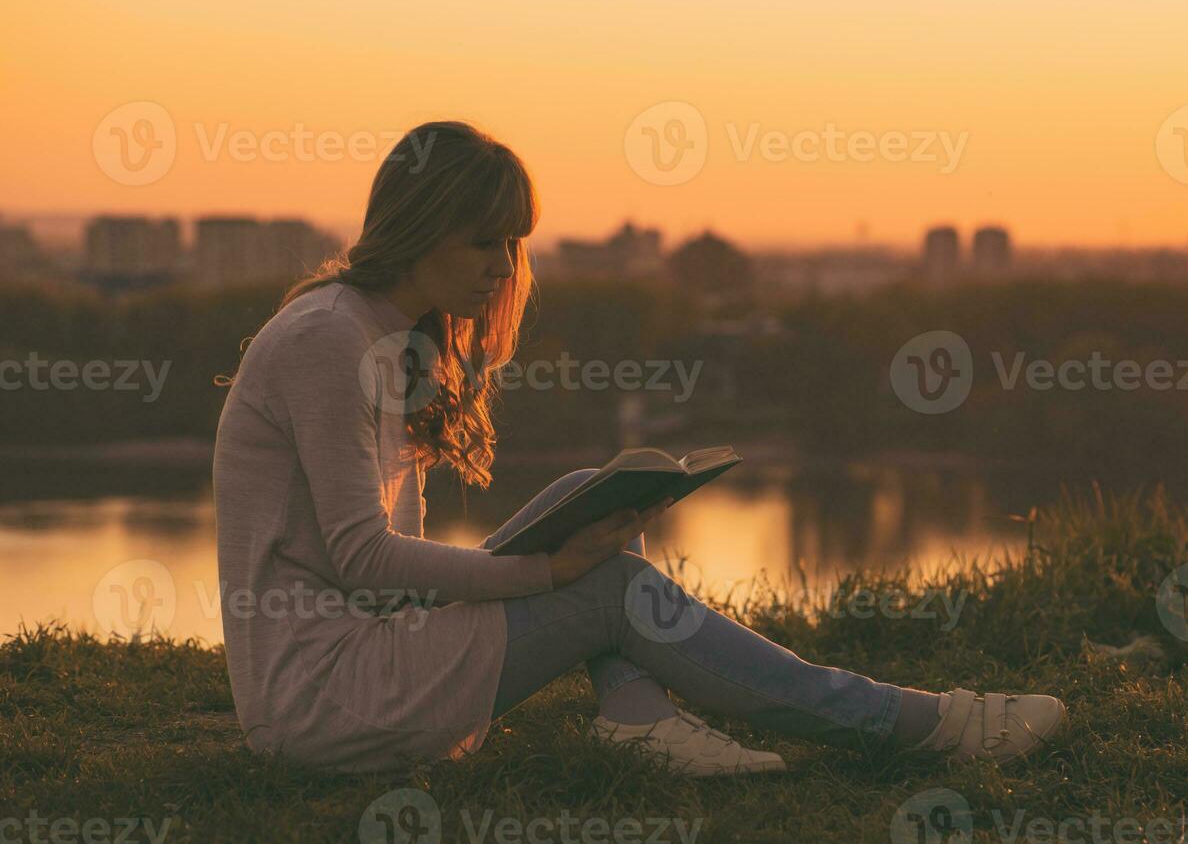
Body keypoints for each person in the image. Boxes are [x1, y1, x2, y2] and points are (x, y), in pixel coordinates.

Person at [212, 120, 1066, 775]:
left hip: (370, 654)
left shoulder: (389, 339)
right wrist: (545, 577)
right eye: (484, 242)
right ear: (421, 231)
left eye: (515, 243)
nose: (506, 269)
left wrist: (541, 571)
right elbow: (364, 560)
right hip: (319, 699)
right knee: (613, 585)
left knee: (599, 490)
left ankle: (637, 717)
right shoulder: (326, 341)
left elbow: (378, 577)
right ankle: (922, 726)